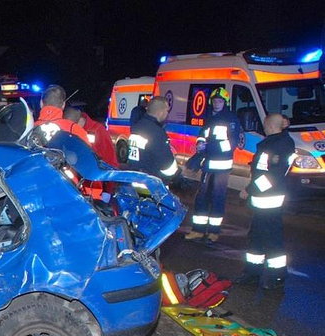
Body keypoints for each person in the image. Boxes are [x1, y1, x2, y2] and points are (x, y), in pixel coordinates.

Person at [237, 114, 295, 289]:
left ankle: (277, 278)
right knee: (256, 238)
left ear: (269, 125)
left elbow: (273, 176)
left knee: (272, 240)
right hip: (262, 200)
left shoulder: (281, 145)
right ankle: (252, 274)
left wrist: (250, 190)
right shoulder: (273, 142)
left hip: (270, 200)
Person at [184, 87, 240, 242]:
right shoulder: (210, 118)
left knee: (217, 198)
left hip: (221, 167)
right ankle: (198, 230)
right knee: (201, 198)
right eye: (215, 100)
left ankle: (214, 232)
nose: (217, 103)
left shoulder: (231, 119)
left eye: (220, 101)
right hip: (208, 165)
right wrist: (200, 144)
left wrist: (209, 147)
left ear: (225, 102)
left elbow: (231, 144)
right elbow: (202, 135)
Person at [126, 97, 178, 181]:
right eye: (166, 111)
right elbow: (166, 164)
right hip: (152, 182)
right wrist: (177, 174)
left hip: (136, 177)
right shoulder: (156, 132)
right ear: (160, 112)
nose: (167, 114)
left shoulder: (138, 126)